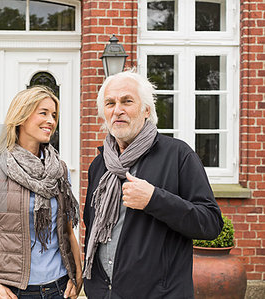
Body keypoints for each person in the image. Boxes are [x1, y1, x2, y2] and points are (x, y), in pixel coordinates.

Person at [83, 70, 223, 298]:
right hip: (105, 293)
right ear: (104, 113)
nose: (117, 110)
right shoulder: (100, 165)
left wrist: (154, 200)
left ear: (147, 110)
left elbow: (210, 223)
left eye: (127, 101)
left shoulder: (178, 155)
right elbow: (92, 229)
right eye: (110, 103)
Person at [0, 86, 83, 299]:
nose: (51, 121)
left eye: (54, 115)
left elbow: (67, 231)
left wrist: (77, 274)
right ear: (22, 116)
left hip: (59, 287)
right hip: (14, 290)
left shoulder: (60, 170)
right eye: (43, 113)